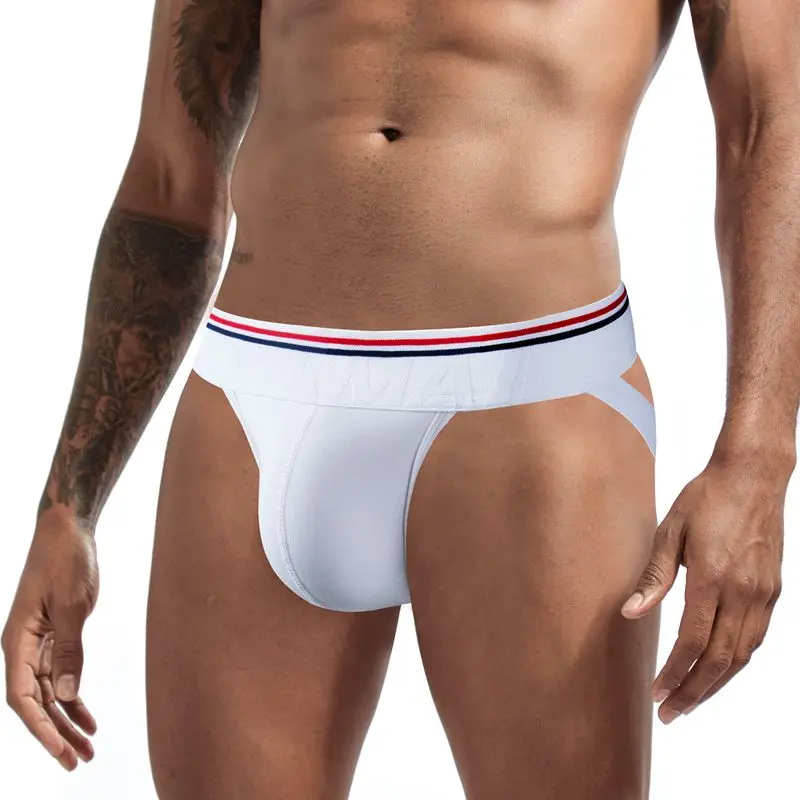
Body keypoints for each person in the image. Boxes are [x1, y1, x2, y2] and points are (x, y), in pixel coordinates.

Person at [3, 1, 797, 797]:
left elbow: (769, 123)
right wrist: (69, 508)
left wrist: (757, 462)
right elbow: (171, 176)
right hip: (255, 396)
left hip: (533, 397)